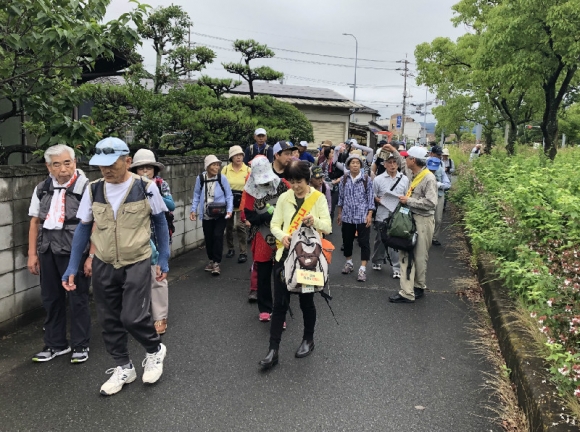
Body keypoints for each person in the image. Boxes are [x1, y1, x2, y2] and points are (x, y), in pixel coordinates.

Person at [62, 137, 170, 396]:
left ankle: (154, 350)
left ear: (128, 161)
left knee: (131, 317)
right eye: (101, 166)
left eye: (112, 164)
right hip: (104, 262)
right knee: (109, 320)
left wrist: (164, 257)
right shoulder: (94, 189)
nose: (106, 170)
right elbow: (84, 228)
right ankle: (124, 366)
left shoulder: (146, 187)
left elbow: (160, 223)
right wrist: (72, 266)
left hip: (137, 260)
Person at [259, 161, 332, 369]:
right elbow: (274, 224)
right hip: (285, 256)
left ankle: (308, 339)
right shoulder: (284, 197)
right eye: (291, 181)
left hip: (308, 260)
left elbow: (327, 226)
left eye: (299, 181)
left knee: (306, 302)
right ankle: (273, 350)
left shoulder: (317, 198)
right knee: (280, 303)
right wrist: (284, 236)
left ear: (307, 180)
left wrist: (314, 221)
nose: (295, 186)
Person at [28, 144, 91, 363]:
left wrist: (91, 256)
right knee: (50, 298)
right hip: (47, 249)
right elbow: (35, 221)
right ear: (49, 167)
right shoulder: (42, 188)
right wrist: (32, 254)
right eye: (57, 164)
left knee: (77, 298)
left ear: (75, 163)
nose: (63, 169)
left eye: (67, 163)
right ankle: (55, 344)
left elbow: (96, 224)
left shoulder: (87, 188)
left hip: (75, 252)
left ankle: (80, 344)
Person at [128, 149, 175, 335]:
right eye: (141, 168)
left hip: (158, 234)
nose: (146, 171)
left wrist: (152, 192)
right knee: (137, 277)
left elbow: (170, 206)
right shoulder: (129, 187)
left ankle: (160, 316)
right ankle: (141, 314)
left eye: (149, 168)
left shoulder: (161, 184)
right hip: (137, 237)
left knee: (158, 275)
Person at [389, 146, 438, 303]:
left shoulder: (428, 178)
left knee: (415, 255)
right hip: (413, 218)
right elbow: (401, 164)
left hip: (423, 220)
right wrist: (392, 149)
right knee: (413, 255)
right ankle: (416, 287)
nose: (405, 160)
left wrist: (408, 200)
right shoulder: (415, 172)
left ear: (414, 160)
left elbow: (431, 203)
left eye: (407, 157)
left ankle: (408, 291)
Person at [243, 156, 290, 319]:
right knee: (263, 273)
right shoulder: (249, 190)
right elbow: (248, 215)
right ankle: (264, 308)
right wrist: (266, 217)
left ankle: (280, 309)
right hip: (262, 235)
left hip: (282, 235)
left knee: (281, 273)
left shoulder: (283, 184)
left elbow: (294, 204)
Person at [190, 155, 234, 276]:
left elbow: (229, 195)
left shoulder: (222, 178)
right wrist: (193, 210)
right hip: (206, 213)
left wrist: (229, 210)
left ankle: (216, 263)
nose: (216, 167)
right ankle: (211, 260)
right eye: (214, 165)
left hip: (221, 213)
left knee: (217, 235)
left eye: (218, 165)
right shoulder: (200, 178)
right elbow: (196, 195)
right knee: (208, 238)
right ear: (207, 166)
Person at [336, 152, 375, 282]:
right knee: (347, 241)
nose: (355, 165)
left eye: (357, 163)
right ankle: (349, 263)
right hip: (347, 216)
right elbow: (341, 198)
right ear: (348, 165)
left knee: (364, 242)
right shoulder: (344, 179)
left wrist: (370, 214)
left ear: (361, 165)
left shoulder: (366, 179)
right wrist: (340, 213)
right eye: (352, 163)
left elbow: (370, 199)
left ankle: (362, 269)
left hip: (362, 215)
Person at [371, 152, 410, 278]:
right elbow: (373, 195)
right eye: (389, 162)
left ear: (398, 164)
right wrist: (379, 200)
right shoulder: (378, 179)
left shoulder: (404, 179)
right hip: (382, 212)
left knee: (395, 240)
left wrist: (405, 210)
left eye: (394, 162)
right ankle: (377, 260)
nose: (392, 165)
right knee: (380, 239)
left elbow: (407, 196)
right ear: (384, 164)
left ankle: (396, 267)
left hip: (397, 214)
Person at [222, 145, 250, 263]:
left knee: (240, 226)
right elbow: (221, 184)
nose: (238, 158)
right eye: (235, 156)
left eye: (240, 155)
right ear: (231, 158)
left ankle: (243, 252)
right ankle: (231, 248)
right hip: (228, 202)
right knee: (228, 226)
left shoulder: (248, 169)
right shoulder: (226, 169)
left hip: (242, 202)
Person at [425, 157, 450, 246]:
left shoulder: (441, 171)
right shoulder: (424, 171)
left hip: (439, 196)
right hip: (426, 196)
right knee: (427, 217)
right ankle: (425, 236)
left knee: (438, 219)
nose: (433, 171)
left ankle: (434, 237)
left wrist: (440, 185)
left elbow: (448, 184)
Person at [321, 146, 342, 223]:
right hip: (325, 188)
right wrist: (327, 183)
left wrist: (337, 181)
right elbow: (321, 176)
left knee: (332, 207)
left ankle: (329, 224)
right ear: (327, 154)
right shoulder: (322, 165)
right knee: (324, 206)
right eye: (331, 153)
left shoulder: (337, 164)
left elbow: (343, 175)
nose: (333, 154)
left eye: (334, 153)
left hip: (335, 188)